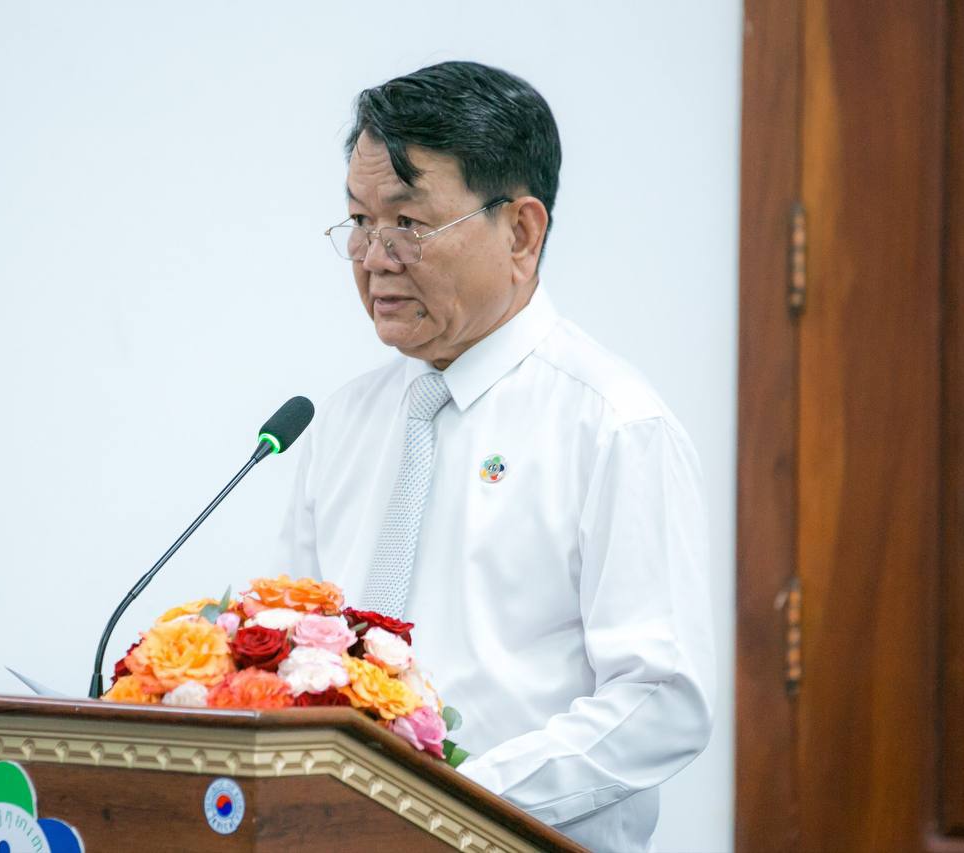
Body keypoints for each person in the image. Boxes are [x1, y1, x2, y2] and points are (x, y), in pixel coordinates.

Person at [277, 60, 715, 852]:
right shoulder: (342, 421)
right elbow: (299, 652)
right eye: (359, 221)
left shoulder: (612, 424)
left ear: (521, 232)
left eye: (408, 223)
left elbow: (661, 700)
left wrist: (448, 803)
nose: (374, 257)